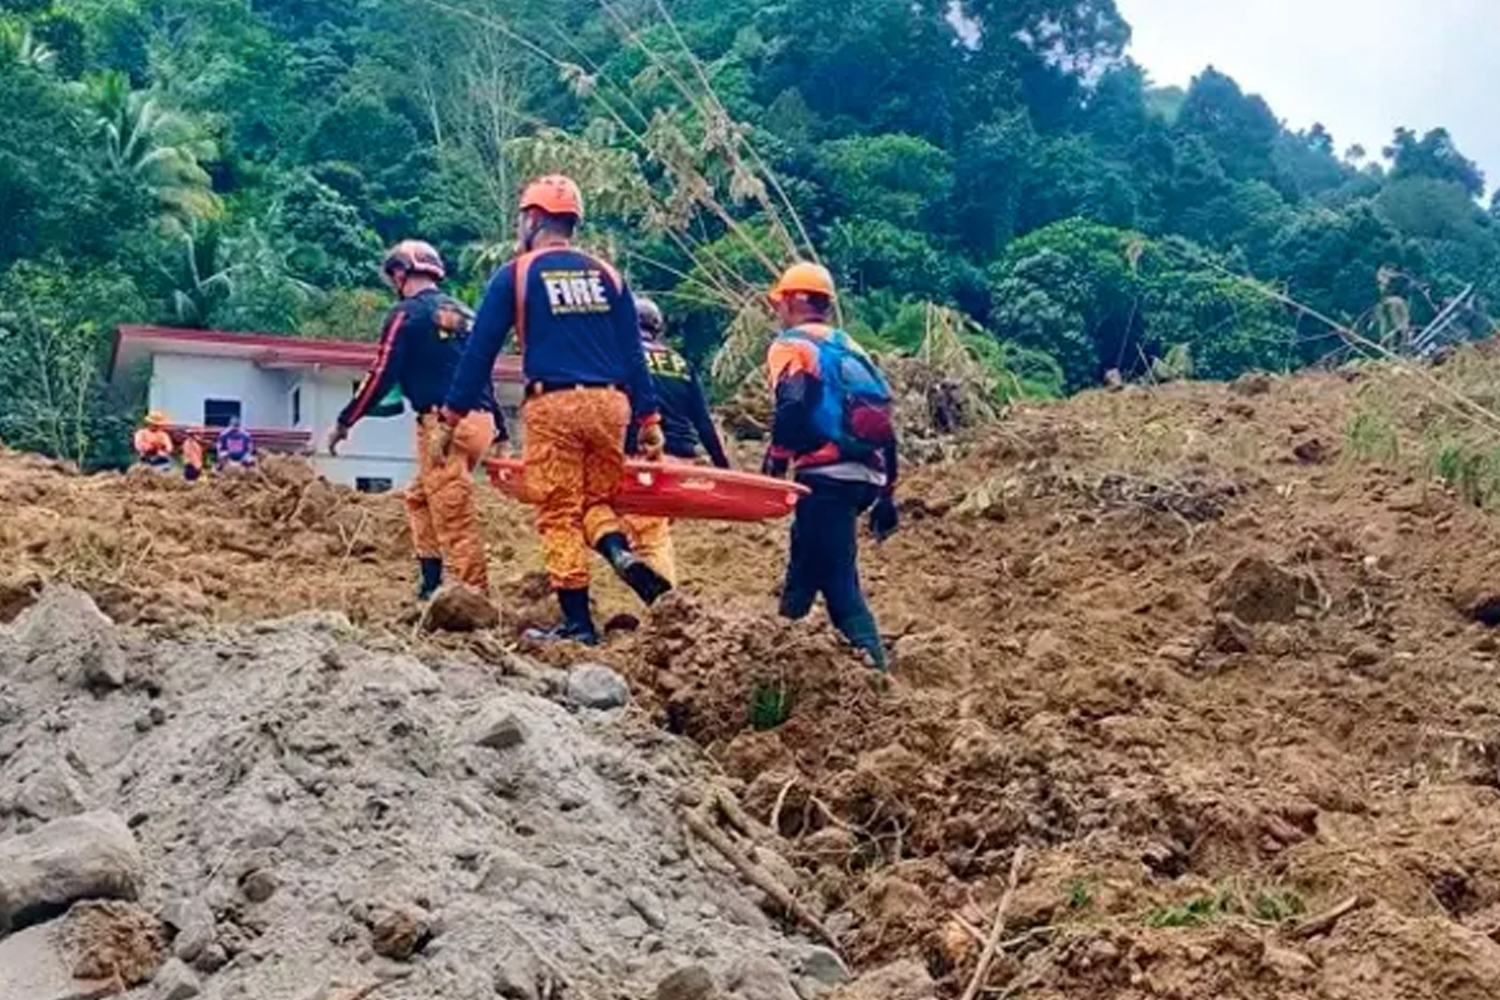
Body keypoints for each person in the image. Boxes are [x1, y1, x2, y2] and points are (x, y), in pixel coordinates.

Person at [441, 174, 668, 645]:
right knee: (596, 501)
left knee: (558, 511)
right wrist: (649, 421)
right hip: (612, 404)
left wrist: (452, 415)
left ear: (532, 218)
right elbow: (634, 353)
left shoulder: (517, 274)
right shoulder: (609, 275)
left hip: (554, 403)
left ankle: (578, 625)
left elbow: (479, 352)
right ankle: (620, 553)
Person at [326, 240, 499, 600]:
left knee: (453, 514)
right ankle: (430, 583)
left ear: (401, 273)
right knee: (419, 497)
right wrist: (499, 425)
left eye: (395, 276)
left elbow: (382, 372)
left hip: (443, 425)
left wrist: (346, 421)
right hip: (480, 422)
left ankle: (474, 597)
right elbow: (482, 372)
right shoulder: (467, 315)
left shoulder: (406, 313)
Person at [761, 262, 900, 671]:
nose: (777, 311)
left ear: (792, 302)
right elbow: (884, 420)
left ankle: (877, 674)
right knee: (805, 567)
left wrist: (777, 462)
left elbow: (792, 401)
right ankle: (777, 657)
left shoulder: (791, 346)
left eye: (780, 302)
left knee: (839, 581)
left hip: (825, 475)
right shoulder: (851, 347)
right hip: (866, 475)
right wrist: (888, 492)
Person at [622, 295, 731, 585]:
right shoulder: (681, 364)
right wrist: (723, 469)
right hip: (681, 463)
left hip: (643, 459)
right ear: (658, 329)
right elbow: (703, 423)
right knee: (649, 528)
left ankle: (665, 605)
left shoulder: (622, 359)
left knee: (647, 536)